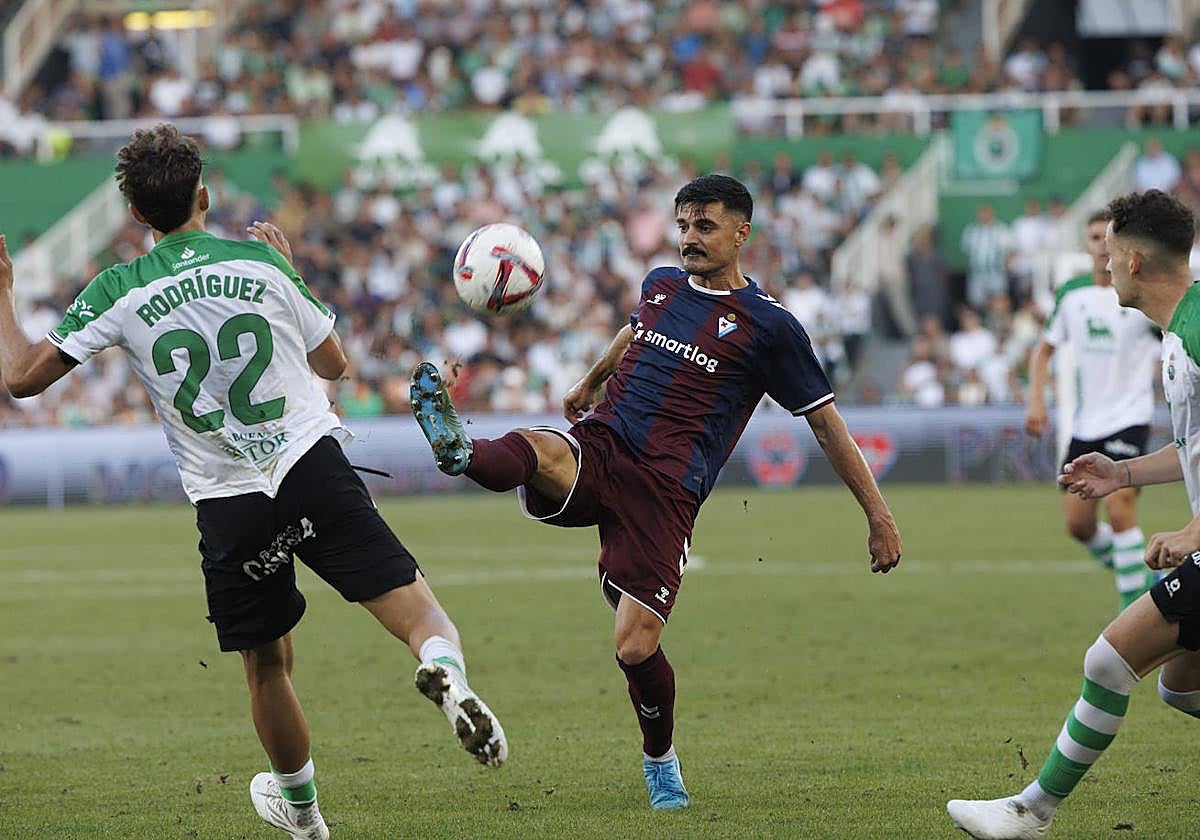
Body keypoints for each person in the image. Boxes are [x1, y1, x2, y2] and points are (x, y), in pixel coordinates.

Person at [0, 124, 507, 840]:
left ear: (137, 215)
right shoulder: (258, 261)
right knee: (420, 613)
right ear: (204, 196)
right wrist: (291, 271)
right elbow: (333, 367)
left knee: (268, 668)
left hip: (228, 502)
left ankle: (304, 820)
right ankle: (445, 672)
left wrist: (2, 293)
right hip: (308, 465)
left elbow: (21, 378)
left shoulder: (118, 286)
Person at [408, 174, 903, 810]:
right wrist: (591, 384)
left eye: (706, 226)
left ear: (741, 233)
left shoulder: (769, 327)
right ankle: (460, 450)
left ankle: (660, 762)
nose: (690, 238)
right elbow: (636, 330)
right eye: (684, 226)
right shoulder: (661, 285)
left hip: (667, 490)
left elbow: (825, 423)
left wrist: (878, 515)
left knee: (635, 644)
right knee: (543, 451)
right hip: (607, 443)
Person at [948, 190, 1200, 839]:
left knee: (1109, 662)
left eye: (1111, 251)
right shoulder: (1180, 332)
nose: (1104, 264)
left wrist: (1196, 529)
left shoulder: (1196, 331)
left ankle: (1031, 812)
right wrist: (1124, 473)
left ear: (1135, 259)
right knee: (1179, 684)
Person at [1025, 209, 1161, 612]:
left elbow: (1173, 331)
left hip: (1130, 417)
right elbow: (1044, 350)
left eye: (1108, 237)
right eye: (1094, 237)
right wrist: (1036, 399)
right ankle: (1143, 575)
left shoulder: (1139, 293)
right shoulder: (1072, 293)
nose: (1101, 244)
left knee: (1120, 509)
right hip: (1086, 424)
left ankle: (1134, 614)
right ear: (1085, 245)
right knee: (1078, 525)